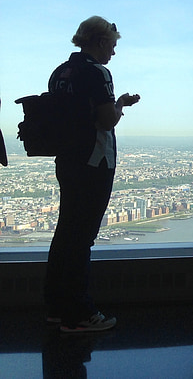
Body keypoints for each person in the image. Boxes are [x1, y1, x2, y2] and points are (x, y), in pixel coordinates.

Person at [45, 16, 140, 333]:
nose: (113, 52)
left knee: (65, 233)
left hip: (67, 159)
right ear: (99, 42)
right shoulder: (98, 73)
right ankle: (79, 313)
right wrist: (120, 104)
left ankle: (56, 307)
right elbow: (105, 120)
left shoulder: (60, 73)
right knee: (82, 237)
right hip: (94, 160)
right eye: (111, 45)